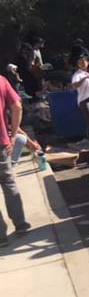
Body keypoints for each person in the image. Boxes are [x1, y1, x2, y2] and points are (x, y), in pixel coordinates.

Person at [0, 74, 31, 246]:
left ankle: (0, 237)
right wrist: (13, 134)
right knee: (8, 182)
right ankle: (20, 224)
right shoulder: (2, 81)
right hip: (1, 142)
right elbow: (17, 106)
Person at [71, 54, 89, 145]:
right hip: (84, 100)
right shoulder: (77, 74)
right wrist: (84, 78)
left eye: (83, 62)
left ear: (88, 63)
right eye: (79, 63)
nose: (81, 64)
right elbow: (74, 86)